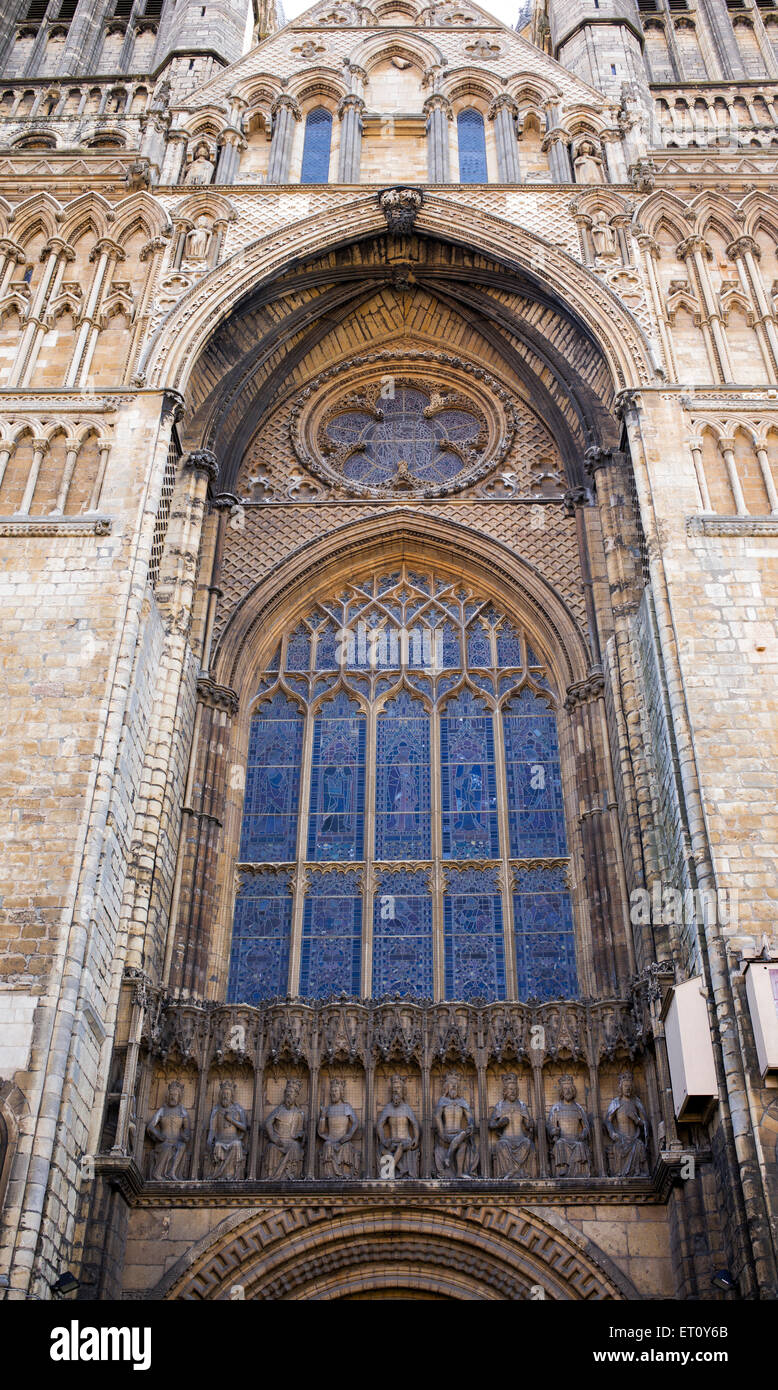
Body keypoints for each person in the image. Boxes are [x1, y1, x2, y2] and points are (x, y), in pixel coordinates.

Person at [489, 1073, 535, 1177]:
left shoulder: (522, 1105)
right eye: (510, 1089)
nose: (513, 1091)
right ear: (505, 1091)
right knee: (501, 1145)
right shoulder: (500, 1106)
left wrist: (530, 1124)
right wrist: (499, 1124)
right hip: (506, 1139)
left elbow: (528, 1124)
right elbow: (491, 1124)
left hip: (521, 1139)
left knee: (528, 1143)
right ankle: (516, 1171)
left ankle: (513, 1171)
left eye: (514, 1089)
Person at [375, 1074, 420, 1177]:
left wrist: (416, 1139)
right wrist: (383, 1140)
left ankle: (389, 1170)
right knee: (383, 1150)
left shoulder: (406, 1108)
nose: (396, 1090)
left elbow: (415, 1124)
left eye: (398, 1088)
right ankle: (401, 1169)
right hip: (392, 1141)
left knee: (400, 1147)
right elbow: (379, 1125)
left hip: (405, 1141)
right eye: (394, 1088)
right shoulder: (388, 1108)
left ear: (403, 1090)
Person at [147, 1080, 191, 1179]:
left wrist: (184, 1137)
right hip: (163, 1142)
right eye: (171, 1094)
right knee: (167, 1147)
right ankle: (157, 1173)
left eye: (175, 1095)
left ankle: (172, 1172)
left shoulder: (183, 1112)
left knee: (182, 1146)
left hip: (176, 1142)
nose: (173, 1097)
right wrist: (158, 1135)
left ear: (179, 1097)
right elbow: (150, 1126)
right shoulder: (162, 1110)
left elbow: (187, 1131)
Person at [264, 1078, 306, 1178]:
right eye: (287, 1092)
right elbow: (267, 1123)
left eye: (291, 1092)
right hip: (279, 1142)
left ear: (296, 1096)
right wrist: (273, 1137)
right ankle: (272, 1175)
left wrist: (300, 1135)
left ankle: (290, 1174)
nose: (288, 1094)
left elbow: (300, 1131)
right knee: (271, 1147)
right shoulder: (279, 1110)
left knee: (295, 1146)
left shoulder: (298, 1113)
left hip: (291, 1141)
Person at [207, 1080, 248, 1179]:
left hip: (234, 1139)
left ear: (232, 1096)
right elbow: (212, 1129)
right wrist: (209, 1140)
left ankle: (232, 1175)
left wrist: (231, 1120)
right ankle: (218, 1175)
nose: (225, 1096)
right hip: (220, 1139)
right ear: (220, 1095)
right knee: (217, 1145)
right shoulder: (216, 1110)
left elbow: (244, 1127)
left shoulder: (238, 1109)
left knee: (236, 1145)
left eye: (228, 1094)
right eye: (224, 1094)